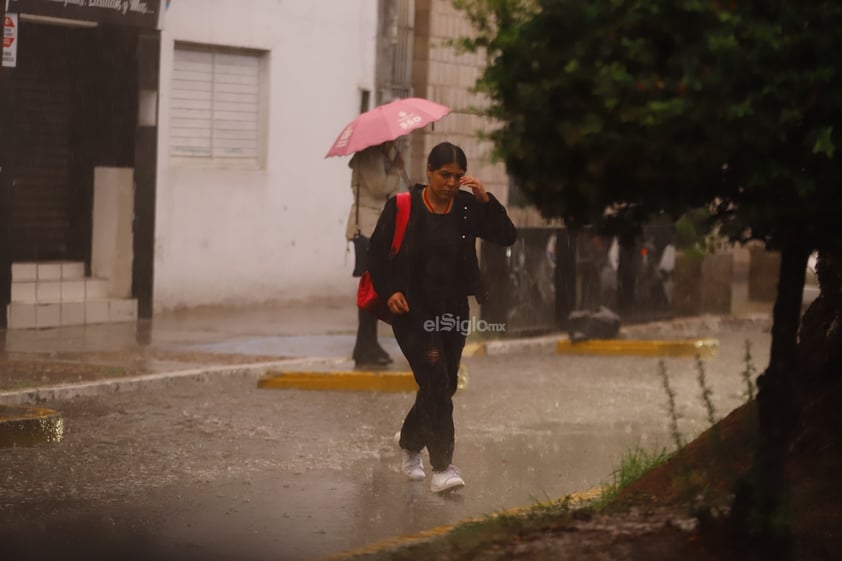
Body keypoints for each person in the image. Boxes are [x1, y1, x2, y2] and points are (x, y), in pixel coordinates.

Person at [367, 142, 517, 493]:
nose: (451, 182)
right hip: (412, 312)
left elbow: (506, 235)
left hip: (453, 310)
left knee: (444, 384)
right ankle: (443, 468)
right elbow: (376, 254)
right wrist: (391, 290)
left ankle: (408, 441)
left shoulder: (466, 207)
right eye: (444, 175)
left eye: (457, 176)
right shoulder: (403, 206)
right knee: (435, 381)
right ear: (429, 173)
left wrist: (486, 200)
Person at [346, 141, 405, 367]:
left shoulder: (379, 156)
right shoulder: (370, 156)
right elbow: (380, 188)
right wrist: (397, 168)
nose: (396, 141)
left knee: (374, 289)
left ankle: (367, 344)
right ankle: (364, 346)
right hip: (367, 230)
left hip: (375, 228)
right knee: (370, 289)